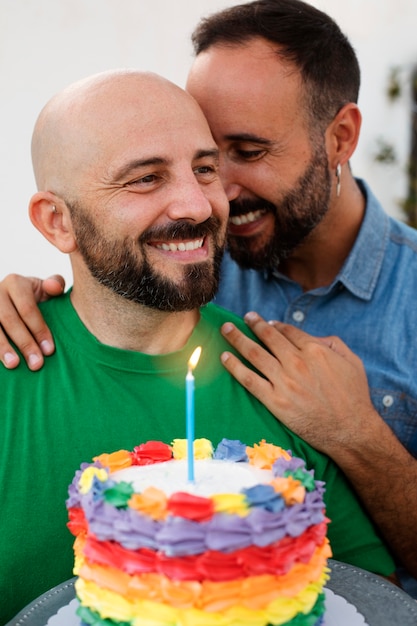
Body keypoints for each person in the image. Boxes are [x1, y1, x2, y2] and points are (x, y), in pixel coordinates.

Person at [0, 69, 397, 625]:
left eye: (205, 169)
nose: (197, 204)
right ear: (57, 222)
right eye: (145, 179)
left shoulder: (286, 377)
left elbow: (366, 594)